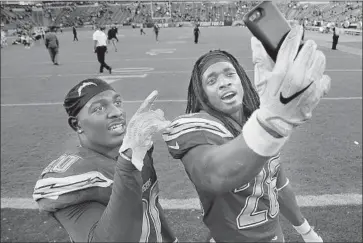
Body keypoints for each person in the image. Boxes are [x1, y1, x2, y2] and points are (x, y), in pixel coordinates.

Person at [163, 26, 330, 242]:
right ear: (202, 95)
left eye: (229, 74)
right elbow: (213, 175)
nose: (224, 82)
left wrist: (307, 232)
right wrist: (268, 127)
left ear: (241, 79)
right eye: (211, 81)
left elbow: (278, 185)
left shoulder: (256, 121)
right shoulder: (198, 127)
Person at [33, 78, 178, 242]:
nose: (117, 112)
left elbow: (151, 209)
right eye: (99, 108)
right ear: (77, 125)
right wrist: (128, 164)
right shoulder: (74, 176)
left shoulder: (136, 151)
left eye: (117, 102)